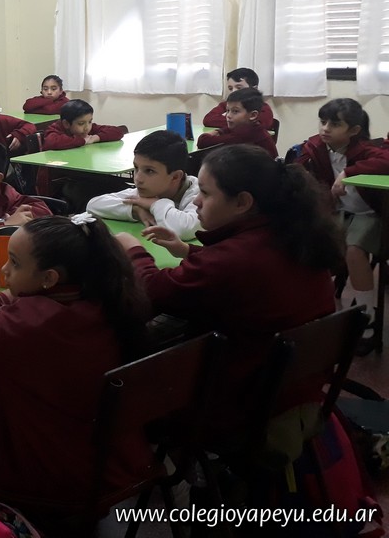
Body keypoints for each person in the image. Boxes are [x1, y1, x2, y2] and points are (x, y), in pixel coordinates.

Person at [0, 215, 151, 530]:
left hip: (48, 478)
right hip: (112, 462)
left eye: (15, 263)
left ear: (49, 279)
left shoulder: (26, 326)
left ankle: (24, 516)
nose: (5, 269)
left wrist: (2, 297)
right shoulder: (111, 298)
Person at [113, 144, 341, 435]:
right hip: (290, 387)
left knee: (118, 353)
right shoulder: (291, 233)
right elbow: (234, 268)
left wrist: (131, 249)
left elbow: (154, 292)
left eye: (206, 193)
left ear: (242, 202)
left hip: (237, 402)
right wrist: (187, 251)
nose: (196, 202)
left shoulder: (235, 258)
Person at [293, 98, 389, 349]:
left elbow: (386, 161)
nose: (325, 128)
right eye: (323, 122)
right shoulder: (316, 146)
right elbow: (298, 169)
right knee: (308, 242)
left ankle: (367, 315)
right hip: (338, 212)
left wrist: (348, 172)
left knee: (355, 251)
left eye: (335, 124)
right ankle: (314, 307)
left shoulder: (365, 149)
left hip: (369, 213)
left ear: (354, 130)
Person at [85, 130, 200, 240]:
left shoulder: (200, 193)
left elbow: (184, 229)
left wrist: (155, 204)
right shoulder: (148, 192)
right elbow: (93, 205)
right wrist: (136, 210)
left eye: (149, 171)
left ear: (175, 177)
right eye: (136, 168)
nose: (138, 179)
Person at [37, 99, 126, 202]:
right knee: (97, 192)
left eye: (90, 121)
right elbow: (52, 142)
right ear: (66, 124)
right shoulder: (55, 129)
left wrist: (96, 138)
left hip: (82, 176)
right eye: (81, 123)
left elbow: (117, 131)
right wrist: (82, 141)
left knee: (119, 187)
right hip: (60, 183)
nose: (87, 127)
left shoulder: (85, 130)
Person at [195, 88, 278, 158]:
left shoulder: (246, 136)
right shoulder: (253, 128)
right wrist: (220, 131)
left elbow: (203, 141)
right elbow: (227, 129)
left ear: (253, 115)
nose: (228, 115)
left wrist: (216, 132)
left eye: (235, 111)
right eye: (227, 110)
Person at [202, 67, 275, 131]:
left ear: (254, 89)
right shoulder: (226, 105)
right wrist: (241, 121)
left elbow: (259, 125)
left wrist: (229, 120)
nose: (233, 91)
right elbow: (208, 120)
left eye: (239, 88)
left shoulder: (263, 108)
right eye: (230, 88)